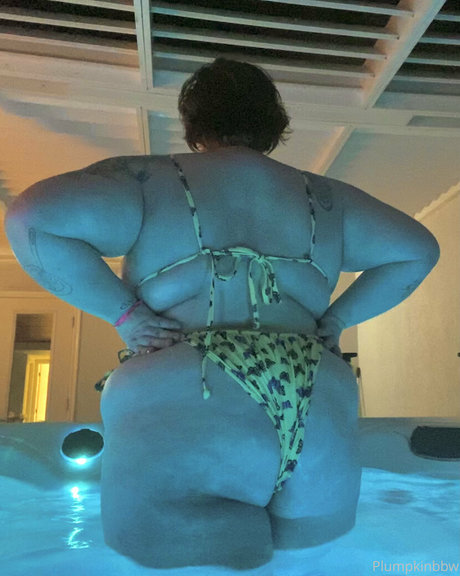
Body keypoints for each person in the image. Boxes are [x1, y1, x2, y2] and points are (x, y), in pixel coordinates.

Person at [5, 58, 440, 575]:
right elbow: (418, 251)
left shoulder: (149, 180)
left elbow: (32, 217)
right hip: (317, 402)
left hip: (191, 395)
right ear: (275, 124)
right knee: (311, 567)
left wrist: (127, 316)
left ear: (193, 124)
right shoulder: (328, 200)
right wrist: (337, 319)